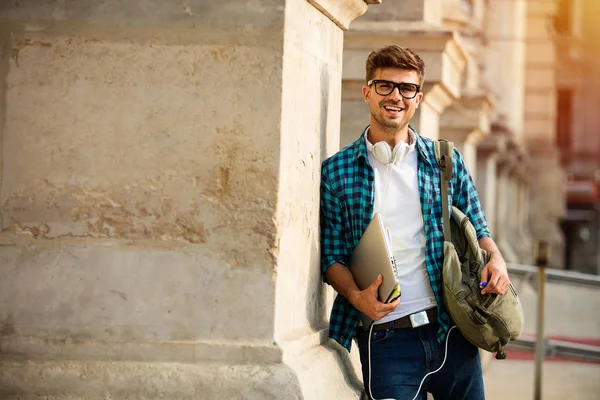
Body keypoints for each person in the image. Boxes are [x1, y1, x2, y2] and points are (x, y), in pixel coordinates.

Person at [319, 45, 511, 400]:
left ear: (418, 97)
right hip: (385, 341)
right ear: (367, 92)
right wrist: (356, 297)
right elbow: (331, 256)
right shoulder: (336, 172)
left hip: (451, 331)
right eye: (385, 86)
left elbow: (479, 227)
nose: (395, 96)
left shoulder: (443, 159)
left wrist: (496, 260)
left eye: (406, 88)